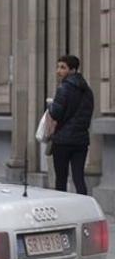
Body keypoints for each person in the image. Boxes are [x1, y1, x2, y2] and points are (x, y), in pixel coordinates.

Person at [47, 54, 94, 195]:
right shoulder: (87, 90)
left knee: (61, 179)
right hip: (81, 140)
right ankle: (84, 207)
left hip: (63, 141)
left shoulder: (64, 89)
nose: (58, 71)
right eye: (58, 67)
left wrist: (50, 104)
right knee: (79, 178)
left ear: (72, 70)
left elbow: (56, 113)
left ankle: (62, 208)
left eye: (63, 67)